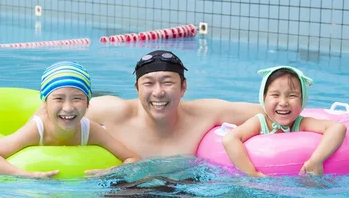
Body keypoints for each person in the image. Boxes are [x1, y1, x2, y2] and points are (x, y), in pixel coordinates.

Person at [85, 50, 266, 158]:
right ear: (137, 88)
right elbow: (62, 112)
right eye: (148, 83)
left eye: (167, 82)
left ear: (183, 87)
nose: (158, 92)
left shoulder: (203, 113)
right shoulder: (115, 112)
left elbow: (269, 111)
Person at [0, 61, 140, 178]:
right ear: (45, 103)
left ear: (88, 103)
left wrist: (111, 171)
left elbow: (133, 159)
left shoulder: (91, 130)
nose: (68, 107)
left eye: (77, 99)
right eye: (59, 99)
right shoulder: (36, 130)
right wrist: (24, 174)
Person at [222, 66, 347, 177]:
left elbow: (337, 128)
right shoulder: (260, 122)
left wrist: (316, 160)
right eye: (275, 95)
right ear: (263, 98)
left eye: (292, 96)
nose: (283, 103)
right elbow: (230, 139)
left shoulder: (301, 123)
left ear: (302, 100)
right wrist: (252, 174)